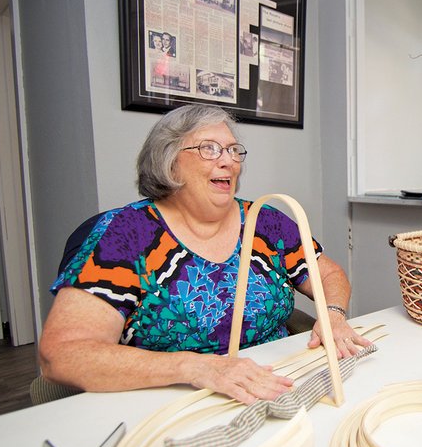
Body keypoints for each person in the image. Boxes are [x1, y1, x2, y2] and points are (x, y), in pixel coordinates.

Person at [38, 104, 371, 405]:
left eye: (233, 150)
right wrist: (197, 368)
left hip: (276, 383)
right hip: (169, 402)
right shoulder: (124, 235)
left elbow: (328, 274)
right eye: (209, 149)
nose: (228, 161)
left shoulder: (265, 222)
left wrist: (333, 313)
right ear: (168, 161)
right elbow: (63, 355)